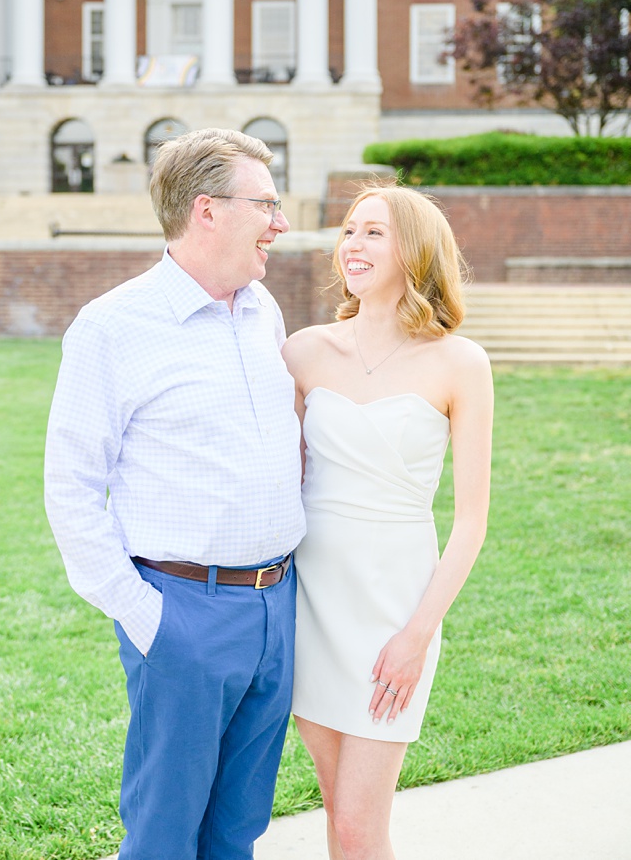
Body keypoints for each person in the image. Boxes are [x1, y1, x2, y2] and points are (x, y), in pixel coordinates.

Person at [44, 127, 306, 860]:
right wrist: (147, 617)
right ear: (208, 210)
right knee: (164, 832)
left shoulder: (263, 311)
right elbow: (69, 488)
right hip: (183, 614)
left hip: (276, 606)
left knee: (239, 829)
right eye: (268, 204)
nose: (280, 223)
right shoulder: (112, 326)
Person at [281, 184, 490, 860]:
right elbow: (279, 482)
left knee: (361, 824)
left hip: (394, 610)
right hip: (309, 605)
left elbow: (471, 522)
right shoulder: (303, 352)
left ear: (415, 251)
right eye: (348, 230)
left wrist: (417, 636)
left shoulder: (460, 362)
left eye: (375, 232)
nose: (353, 245)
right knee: (340, 818)